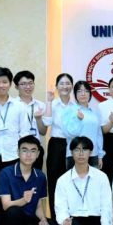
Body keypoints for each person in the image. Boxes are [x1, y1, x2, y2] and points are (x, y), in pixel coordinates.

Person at [54, 136, 113, 225]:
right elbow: (60, 207)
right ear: (71, 153)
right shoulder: (63, 180)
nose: (80, 153)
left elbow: (107, 206)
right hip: (74, 221)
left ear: (90, 152)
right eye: (77, 150)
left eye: (84, 149)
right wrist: (64, 220)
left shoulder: (101, 177)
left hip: (95, 220)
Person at [0, 136, 55, 225]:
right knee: (13, 212)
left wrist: (43, 219)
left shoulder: (40, 176)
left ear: (38, 154)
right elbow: (6, 205)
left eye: (33, 150)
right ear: (18, 152)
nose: (28, 154)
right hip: (11, 221)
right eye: (24, 150)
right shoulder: (6, 173)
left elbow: (38, 206)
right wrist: (23, 200)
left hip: (29, 221)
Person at [43, 72, 76, 211]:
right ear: (56, 86)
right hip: (56, 144)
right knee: (54, 180)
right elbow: (47, 122)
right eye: (61, 83)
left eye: (68, 83)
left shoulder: (75, 106)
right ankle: (56, 217)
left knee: (71, 179)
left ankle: (70, 215)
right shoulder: (53, 104)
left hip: (72, 145)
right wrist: (49, 101)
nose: (65, 86)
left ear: (72, 86)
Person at [60, 80, 105, 170]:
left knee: (93, 182)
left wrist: (100, 155)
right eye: (79, 91)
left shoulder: (95, 112)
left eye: (86, 91)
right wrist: (78, 120)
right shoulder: (69, 110)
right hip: (75, 154)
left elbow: (98, 135)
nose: (83, 94)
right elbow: (69, 133)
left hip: (93, 154)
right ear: (75, 94)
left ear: (90, 93)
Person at [14, 70, 47, 168]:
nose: (28, 87)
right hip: (17, 149)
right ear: (16, 86)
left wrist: (39, 119)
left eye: (30, 83)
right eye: (23, 84)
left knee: (35, 177)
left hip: (35, 149)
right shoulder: (12, 105)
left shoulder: (40, 105)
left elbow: (43, 132)